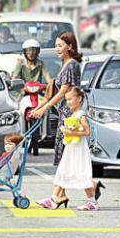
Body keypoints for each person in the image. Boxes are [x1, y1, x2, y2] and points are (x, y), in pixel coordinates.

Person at [36, 87, 104, 211]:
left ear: (79, 99)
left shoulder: (81, 114)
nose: (68, 102)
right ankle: (53, 198)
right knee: (64, 169)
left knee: (82, 172)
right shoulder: (73, 114)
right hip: (71, 147)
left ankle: (92, 201)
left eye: (70, 99)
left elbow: (87, 131)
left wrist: (70, 132)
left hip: (79, 149)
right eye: (66, 100)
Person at [30, 32, 81, 166]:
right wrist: (37, 108)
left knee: (68, 156)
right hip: (63, 115)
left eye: (60, 46)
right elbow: (53, 92)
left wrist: (43, 110)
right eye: (56, 46)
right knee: (64, 157)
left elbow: (62, 93)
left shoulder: (71, 65)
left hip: (71, 117)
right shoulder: (64, 65)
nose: (57, 49)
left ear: (69, 46)